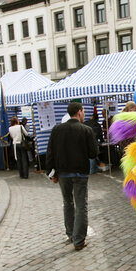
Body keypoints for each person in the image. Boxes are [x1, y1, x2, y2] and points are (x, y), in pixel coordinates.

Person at [45, 102, 98, 251]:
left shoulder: (57, 129)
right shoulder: (86, 130)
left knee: (68, 203)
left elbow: (50, 153)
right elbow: (93, 153)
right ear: (79, 112)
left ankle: (71, 234)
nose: (84, 114)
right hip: (80, 173)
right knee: (81, 205)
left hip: (63, 174)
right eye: (83, 111)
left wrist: (51, 172)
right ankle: (79, 240)